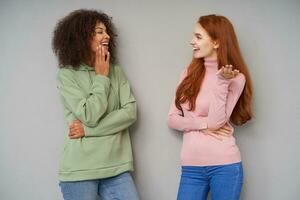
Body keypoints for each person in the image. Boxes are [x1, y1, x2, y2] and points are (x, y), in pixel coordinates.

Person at [52, 9, 139, 200]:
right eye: (100, 31)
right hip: (79, 169)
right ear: (81, 37)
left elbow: (130, 113)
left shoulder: (116, 71)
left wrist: (88, 131)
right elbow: (89, 115)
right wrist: (101, 77)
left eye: (106, 31)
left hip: (117, 167)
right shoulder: (67, 75)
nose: (107, 35)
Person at [167, 14, 253, 200]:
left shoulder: (236, 79)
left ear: (216, 42)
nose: (192, 42)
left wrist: (222, 82)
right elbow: (172, 119)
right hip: (191, 167)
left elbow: (216, 121)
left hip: (225, 166)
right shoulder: (188, 74)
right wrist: (203, 124)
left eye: (198, 37)